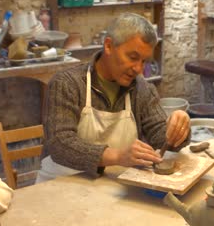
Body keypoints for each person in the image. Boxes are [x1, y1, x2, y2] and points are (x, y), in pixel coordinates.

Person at [36, 13, 190, 182]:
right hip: (61, 183)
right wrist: (116, 156)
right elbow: (60, 144)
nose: (138, 68)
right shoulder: (67, 84)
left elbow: (160, 138)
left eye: (144, 61)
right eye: (132, 57)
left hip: (112, 186)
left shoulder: (142, 89)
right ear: (108, 46)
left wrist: (178, 129)